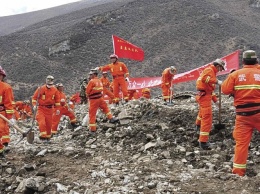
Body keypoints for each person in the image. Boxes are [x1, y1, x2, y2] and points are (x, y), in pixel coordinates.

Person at [222, 50, 260, 176]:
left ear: (243, 61)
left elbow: (225, 90)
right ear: (256, 60)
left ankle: (238, 172)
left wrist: (231, 77)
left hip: (243, 116)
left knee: (241, 144)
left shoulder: (236, 75)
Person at [195, 59, 225, 150]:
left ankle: (198, 126)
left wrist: (215, 101)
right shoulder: (209, 70)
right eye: (220, 68)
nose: (220, 70)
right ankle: (203, 142)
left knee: (202, 113)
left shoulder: (211, 72)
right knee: (207, 118)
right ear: (218, 66)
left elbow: (210, 90)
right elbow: (205, 79)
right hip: (204, 97)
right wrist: (216, 81)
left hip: (204, 95)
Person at [32, 75, 60, 142]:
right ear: (46, 82)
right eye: (48, 84)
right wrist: (34, 105)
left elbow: (57, 100)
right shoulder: (40, 89)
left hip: (50, 110)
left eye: (51, 84)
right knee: (42, 122)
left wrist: (58, 109)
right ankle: (43, 137)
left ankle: (47, 137)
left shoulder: (55, 90)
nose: (49, 85)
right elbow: (34, 98)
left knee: (49, 124)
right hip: (41, 108)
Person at [0, 66, 15, 157]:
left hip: (2, 114)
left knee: (1, 130)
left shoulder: (6, 87)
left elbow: (8, 104)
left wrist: (10, 118)